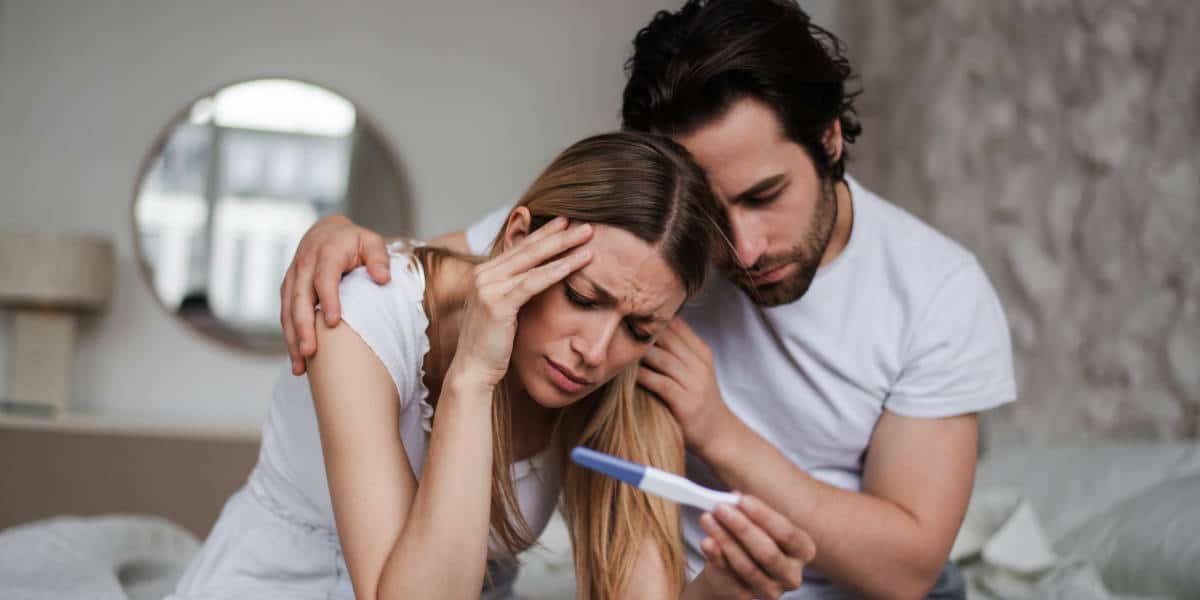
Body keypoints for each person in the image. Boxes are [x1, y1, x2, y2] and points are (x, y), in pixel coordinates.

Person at [280, 1, 1016, 598]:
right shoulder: (639, 246)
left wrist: (718, 432)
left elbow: (909, 569)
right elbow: (438, 273)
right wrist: (337, 232)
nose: (743, 249)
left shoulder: (937, 292)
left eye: (766, 196)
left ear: (828, 140)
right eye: (707, 213)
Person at [169, 132, 815, 600]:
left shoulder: (627, 378)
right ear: (516, 241)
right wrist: (473, 377)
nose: (596, 351)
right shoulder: (364, 317)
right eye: (583, 298)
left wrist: (724, 591)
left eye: (639, 327)